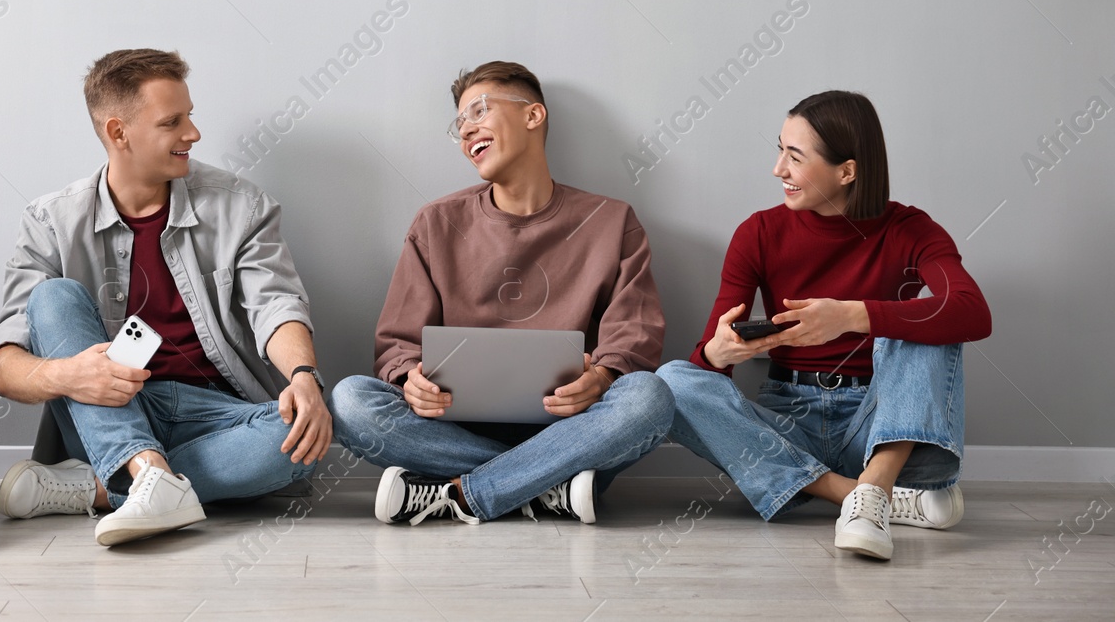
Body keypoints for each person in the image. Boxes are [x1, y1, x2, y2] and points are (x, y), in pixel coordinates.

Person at [0, 49, 332, 546]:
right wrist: (69, 374)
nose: (193, 133)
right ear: (117, 132)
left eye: (190, 116)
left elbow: (275, 306)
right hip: (109, 406)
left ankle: (102, 488)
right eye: (173, 121)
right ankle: (141, 466)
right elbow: (6, 367)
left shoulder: (243, 206)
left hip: (215, 414)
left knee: (309, 430)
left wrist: (303, 376)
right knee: (53, 297)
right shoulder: (50, 221)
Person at [330, 61, 675, 526]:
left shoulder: (612, 221)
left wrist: (604, 376)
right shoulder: (436, 222)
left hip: (574, 426)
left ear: (534, 116)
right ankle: (547, 489)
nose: (466, 129)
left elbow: (633, 333)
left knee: (648, 397)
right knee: (352, 401)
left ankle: (465, 492)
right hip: (455, 427)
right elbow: (397, 342)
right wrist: (409, 377)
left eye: (479, 111)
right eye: (459, 124)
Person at [656, 90, 992, 560]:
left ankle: (875, 485)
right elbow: (707, 372)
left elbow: (973, 311)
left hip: (876, 427)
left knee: (931, 324)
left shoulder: (910, 230)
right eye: (780, 150)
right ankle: (860, 496)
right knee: (671, 381)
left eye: (795, 156)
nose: (779, 169)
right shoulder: (759, 233)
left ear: (847, 171)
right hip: (786, 421)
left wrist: (853, 314)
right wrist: (718, 353)